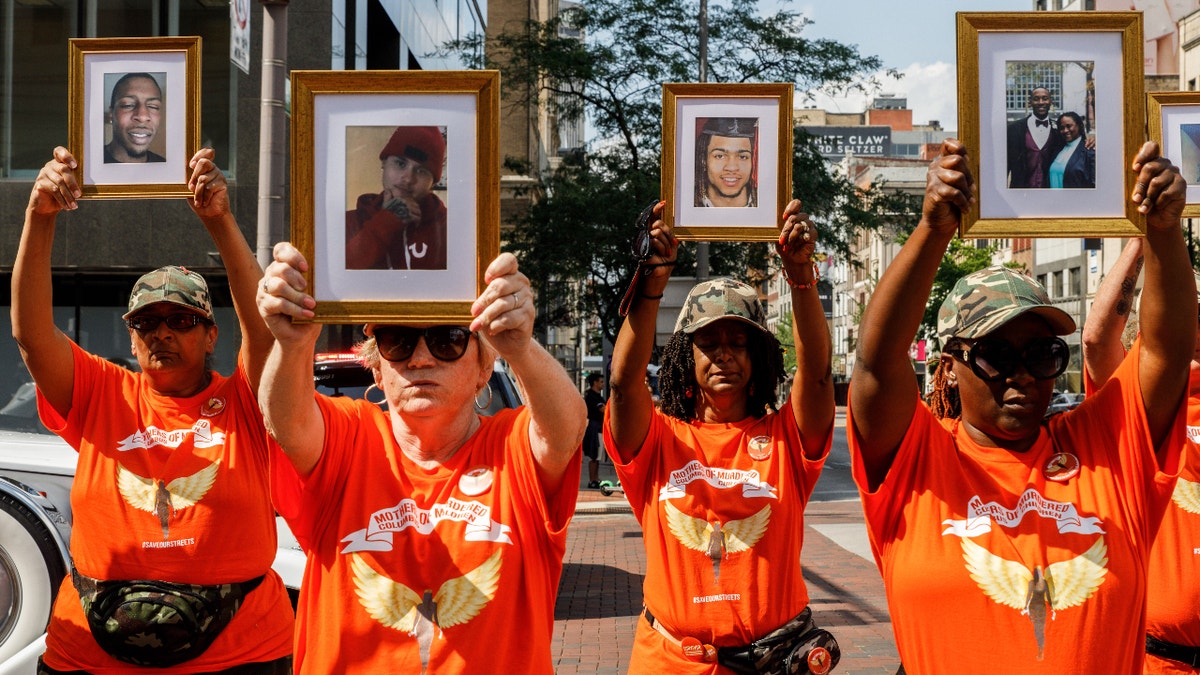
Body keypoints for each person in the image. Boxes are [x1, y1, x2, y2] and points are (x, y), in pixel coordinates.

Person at [849, 138, 1195, 673]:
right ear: (948, 367)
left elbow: (1166, 350)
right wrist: (933, 231)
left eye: (1042, 353)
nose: (1022, 374)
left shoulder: (1105, 450)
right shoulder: (915, 464)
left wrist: (1165, 232)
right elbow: (875, 363)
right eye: (994, 354)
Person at [14, 147, 293, 672]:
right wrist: (39, 216)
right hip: (92, 653)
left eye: (182, 320)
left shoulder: (244, 402)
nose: (162, 331)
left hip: (239, 650)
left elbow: (266, 331)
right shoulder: (102, 391)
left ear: (212, 335)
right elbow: (31, 334)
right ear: (132, 335)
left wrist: (220, 220)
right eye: (147, 322)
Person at [257, 242, 586, 673]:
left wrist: (520, 347)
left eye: (447, 340)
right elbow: (285, 421)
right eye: (398, 341)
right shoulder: (349, 437)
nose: (421, 358)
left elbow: (565, 431)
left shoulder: (511, 446)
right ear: (377, 369)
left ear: (485, 367)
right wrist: (290, 343)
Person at [606, 198, 839, 672]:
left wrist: (801, 276)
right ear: (686, 357)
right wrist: (652, 279)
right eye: (708, 343)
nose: (724, 355)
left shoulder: (784, 439)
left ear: (758, 357)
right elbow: (623, 385)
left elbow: (816, 375)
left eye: (739, 343)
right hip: (668, 659)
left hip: (771, 661)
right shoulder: (657, 440)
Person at [1082, 237, 1200, 674]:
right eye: (1184, 320)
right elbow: (1095, 339)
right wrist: (1144, 235)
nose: (1195, 332)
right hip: (1161, 661)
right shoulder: (1141, 407)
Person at [345, 125, 447, 270]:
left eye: (421, 171)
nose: (408, 179)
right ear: (384, 163)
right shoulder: (348, 223)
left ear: (433, 182)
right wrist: (386, 221)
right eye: (400, 163)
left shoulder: (450, 228)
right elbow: (334, 280)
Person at [1006, 87, 1064, 188]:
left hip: (1050, 193)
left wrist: (1091, 142)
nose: (1041, 102)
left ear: (1050, 101)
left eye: (1045, 98)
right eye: (1036, 99)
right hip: (1021, 193)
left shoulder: (1059, 130)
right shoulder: (1013, 129)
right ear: (1030, 102)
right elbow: (1005, 164)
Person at [694, 117, 757, 208]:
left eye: (742, 157)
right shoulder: (684, 206)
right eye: (720, 156)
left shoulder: (770, 205)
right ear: (704, 160)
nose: (732, 167)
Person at [104, 72, 166, 163]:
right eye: (128, 105)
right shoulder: (87, 165)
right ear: (111, 114)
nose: (142, 117)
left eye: (153, 106)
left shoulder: (172, 170)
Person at [1049, 111, 1095, 189]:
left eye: (1069, 126)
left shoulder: (1090, 151)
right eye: (1062, 128)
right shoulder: (1057, 150)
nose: (1065, 130)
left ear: (1079, 126)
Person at [584, 371, 606, 488]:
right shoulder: (592, 396)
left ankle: (596, 478)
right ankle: (592, 480)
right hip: (594, 427)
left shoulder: (598, 396)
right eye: (601, 382)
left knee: (597, 455)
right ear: (595, 382)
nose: (603, 384)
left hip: (599, 427)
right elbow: (603, 409)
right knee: (594, 455)